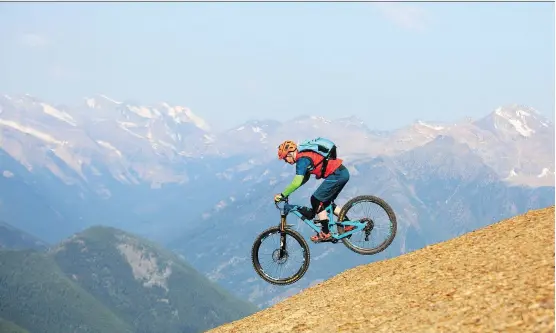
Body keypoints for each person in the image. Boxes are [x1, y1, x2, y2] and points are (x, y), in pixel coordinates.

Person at [274, 139, 353, 242]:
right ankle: (348, 224)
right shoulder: (304, 157)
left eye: (285, 158)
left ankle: (325, 232)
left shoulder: (302, 160)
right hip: (342, 173)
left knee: (315, 199)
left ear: (290, 153)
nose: (286, 161)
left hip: (337, 174)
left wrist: (283, 194)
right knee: (325, 203)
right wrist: (288, 192)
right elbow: (304, 179)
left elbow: (297, 181)